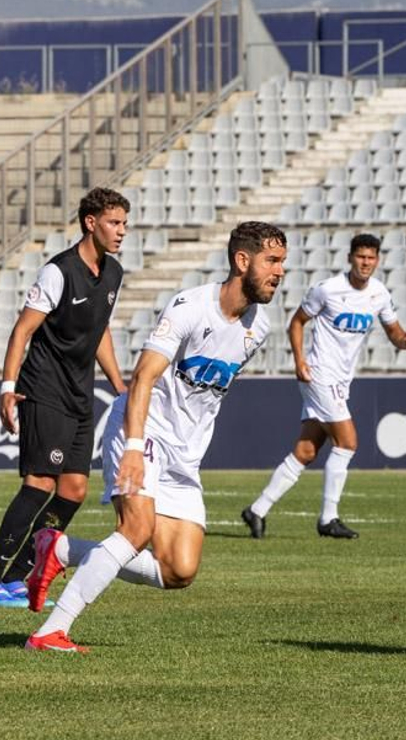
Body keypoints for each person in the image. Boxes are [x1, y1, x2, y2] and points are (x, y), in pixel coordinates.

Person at [23, 222, 288, 652]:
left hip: (184, 453)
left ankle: (61, 549)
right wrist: (132, 448)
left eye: (283, 264)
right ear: (242, 261)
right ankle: (50, 631)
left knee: (178, 571)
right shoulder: (189, 307)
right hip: (141, 430)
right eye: (272, 261)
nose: (280, 272)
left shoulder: (260, 327)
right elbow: (144, 377)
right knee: (136, 529)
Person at [0, 188, 129, 610]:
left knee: (75, 489)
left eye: (124, 224)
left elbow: (101, 333)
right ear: (90, 222)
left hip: (80, 394)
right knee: (40, 482)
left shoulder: (113, 274)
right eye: (114, 223)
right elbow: (23, 330)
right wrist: (7, 390)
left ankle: (19, 577)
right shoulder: (58, 272)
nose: (121, 232)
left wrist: (121, 387)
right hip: (43, 388)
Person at [242, 233, 406, 541]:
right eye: (361, 256)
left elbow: (394, 332)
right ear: (350, 257)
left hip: (341, 380)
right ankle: (328, 518)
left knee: (307, 450)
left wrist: (405, 341)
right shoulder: (328, 290)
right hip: (320, 374)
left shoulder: (379, 294)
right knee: (348, 442)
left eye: (371, 257)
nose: (366, 263)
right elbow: (296, 322)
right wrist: (299, 361)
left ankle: (257, 509)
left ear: (377, 261)